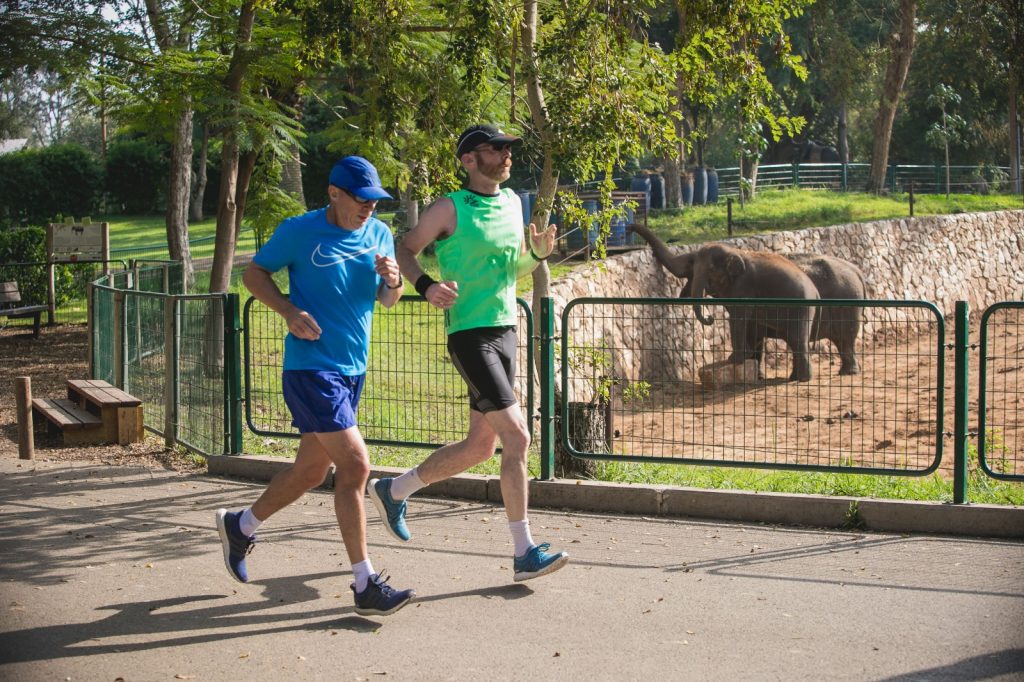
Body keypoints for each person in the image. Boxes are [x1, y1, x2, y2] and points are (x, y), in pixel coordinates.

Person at [368, 124, 569, 582]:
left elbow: (509, 268)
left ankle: (393, 490)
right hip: (469, 334)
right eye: (495, 149)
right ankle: (523, 552)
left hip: (505, 330)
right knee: (517, 438)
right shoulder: (448, 208)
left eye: (508, 149)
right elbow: (405, 248)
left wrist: (536, 255)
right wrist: (427, 285)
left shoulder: (514, 202)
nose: (506, 155)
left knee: (481, 447)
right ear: (469, 161)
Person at [215, 155, 414, 617]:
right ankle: (365, 584)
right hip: (310, 368)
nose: (369, 209)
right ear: (334, 193)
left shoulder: (379, 234)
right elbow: (253, 274)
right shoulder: (299, 231)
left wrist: (395, 280)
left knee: (309, 472)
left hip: (352, 368)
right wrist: (287, 311)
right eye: (361, 200)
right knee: (356, 467)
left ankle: (240, 525)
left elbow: (388, 301)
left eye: (375, 201)